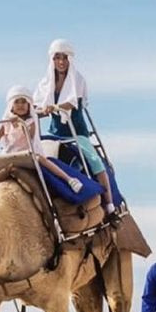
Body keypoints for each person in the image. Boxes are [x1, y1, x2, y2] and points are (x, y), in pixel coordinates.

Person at [34, 39, 115, 214]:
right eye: (57, 58)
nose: (61, 62)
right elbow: (38, 105)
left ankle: (109, 203)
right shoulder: (46, 83)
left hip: (75, 132)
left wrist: (54, 107)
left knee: (95, 161)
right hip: (55, 132)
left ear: (70, 59)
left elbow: (71, 103)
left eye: (64, 58)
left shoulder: (77, 80)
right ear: (52, 60)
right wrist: (35, 111)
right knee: (39, 159)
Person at [0, 86, 85, 194]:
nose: (20, 105)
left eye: (24, 102)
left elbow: (29, 137)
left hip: (26, 153)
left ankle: (69, 179)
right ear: (11, 105)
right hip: (9, 154)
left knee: (41, 159)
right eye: (17, 102)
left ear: (29, 105)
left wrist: (20, 123)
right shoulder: (6, 122)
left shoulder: (30, 121)